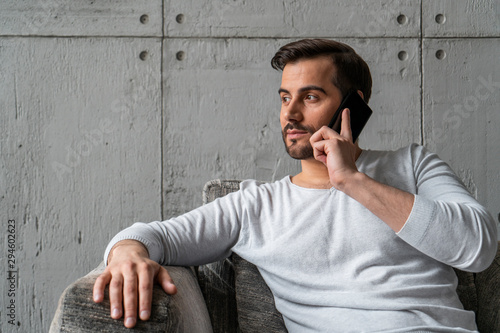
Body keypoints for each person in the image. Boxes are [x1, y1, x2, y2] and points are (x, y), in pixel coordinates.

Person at [92, 39, 497, 332]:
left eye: (311, 96)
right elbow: (156, 235)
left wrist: (352, 181)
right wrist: (126, 253)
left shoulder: (413, 164)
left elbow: (477, 247)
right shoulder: (255, 204)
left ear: (352, 105)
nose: (291, 112)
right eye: (285, 97)